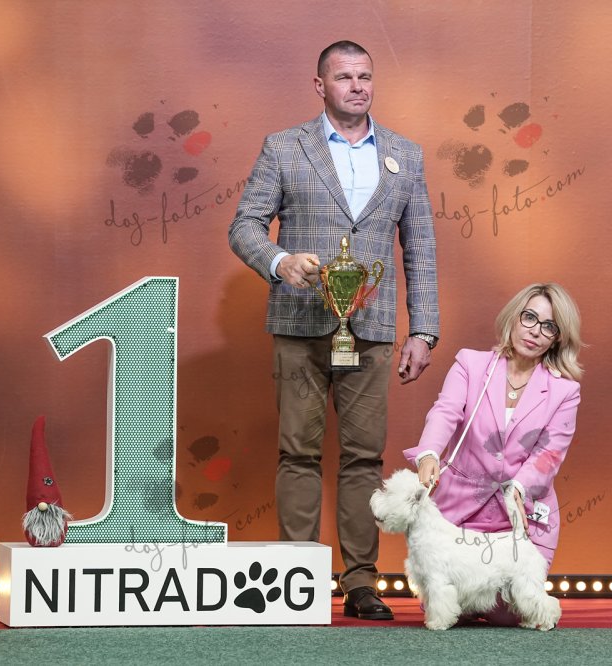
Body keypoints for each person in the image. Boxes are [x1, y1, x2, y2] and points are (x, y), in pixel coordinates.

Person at [228, 40, 440, 621]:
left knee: (364, 458)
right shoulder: (283, 146)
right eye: (344, 77)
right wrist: (279, 262)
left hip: (371, 328)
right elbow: (244, 225)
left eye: (365, 76)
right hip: (299, 322)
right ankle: (296, 577)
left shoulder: (405, 154)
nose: (357, 86)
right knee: (297, 452)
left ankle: (361, 582)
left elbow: (420, 247)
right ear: (320, 85)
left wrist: (423, 330)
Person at [403, 283, 582, 623]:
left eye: (549, 326)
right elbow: (445, 412)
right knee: (451, 607)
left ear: (557, 338)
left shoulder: (564, 391)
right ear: (514, 317)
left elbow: (549, 453)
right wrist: (428, 454)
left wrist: (520, 488)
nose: (535, 331)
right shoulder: (470, 364)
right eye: (529, 317)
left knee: (510, 615)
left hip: (517, 516)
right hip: (458, 518)